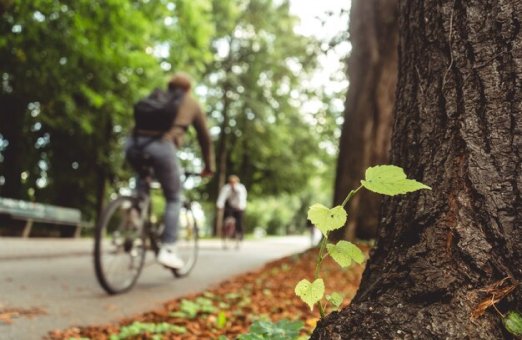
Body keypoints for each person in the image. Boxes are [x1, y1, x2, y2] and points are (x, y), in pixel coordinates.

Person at [125, 72, 214, 269]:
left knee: (143, 181)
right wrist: (209, 166)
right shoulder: (191, 103)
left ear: (170, 86)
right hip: (161, 147)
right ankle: (168, 249)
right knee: (174, 197)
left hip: (133, 144)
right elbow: (204, 137)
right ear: (188, 89)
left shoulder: (157, 96)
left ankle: (134, 212)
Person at [216, 175, 248, 240]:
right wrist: (220, 205)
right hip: (230, 205)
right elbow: (222, 197)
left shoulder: (241, 188)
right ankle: (224, 231)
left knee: (239, 220)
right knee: (225, 216)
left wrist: (241, 206)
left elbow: (243, 198)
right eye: (231, 182)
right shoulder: (226, 188)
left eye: (233, 182)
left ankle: (240, 233)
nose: (232, 183)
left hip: (238, 205)